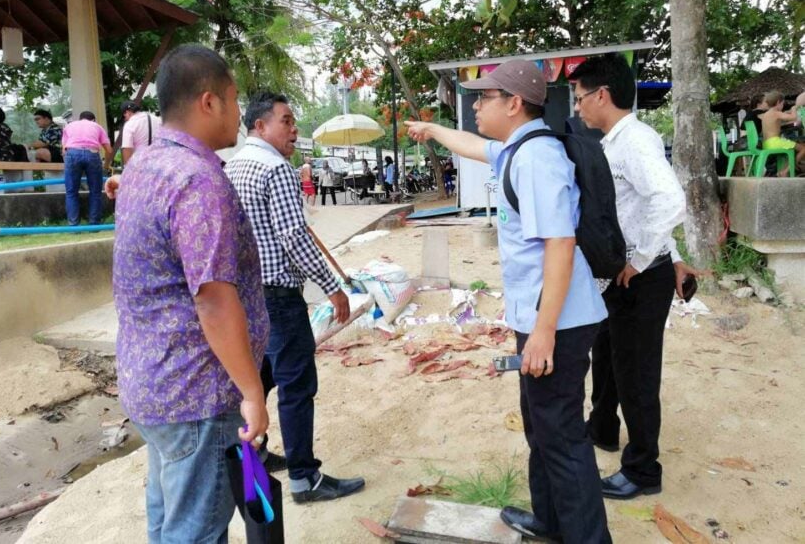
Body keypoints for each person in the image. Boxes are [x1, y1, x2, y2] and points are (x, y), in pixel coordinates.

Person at [406, 60, 611, 543]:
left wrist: (542, 334)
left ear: (514, 103)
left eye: (485, 97)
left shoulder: (538, 159)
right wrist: (434, 129)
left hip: (557, 321)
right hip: (544, 316)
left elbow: (559, 245)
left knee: (562, 439)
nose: (476, 105)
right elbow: (476, 146)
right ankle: (549, 520)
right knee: (542, 429)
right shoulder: (519, 148)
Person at [109, 44, 269, 542]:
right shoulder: (198, 181)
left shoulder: (145, 165)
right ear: (209, 102)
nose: (240, 112)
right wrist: (251, 391)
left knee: (168, 520)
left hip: (153, 381)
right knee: (196, 531)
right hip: (196, 394)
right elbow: (213, 299)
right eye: (235, 98)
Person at [568, 53, 703, 500]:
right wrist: (673, 254)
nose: (577, 107)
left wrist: (641, 259)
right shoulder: (613, 140)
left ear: (601, 95)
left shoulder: (635, 140)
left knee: (636, 372)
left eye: (580, 97)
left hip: (638, 279)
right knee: (606, 355)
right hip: (620, 275)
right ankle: (602, 428)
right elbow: (644, 208)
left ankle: (644, 470)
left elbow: (669, 200)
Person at [224, 91, 365, 503]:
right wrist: (332, 286)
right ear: (260, 126)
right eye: (286, 121)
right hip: (279, 297)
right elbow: (293, 238)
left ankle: (257, 451)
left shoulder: (235, 167)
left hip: (246, 295)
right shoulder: (276, 169)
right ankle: (305, 478)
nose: (293, 129)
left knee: (259, 378)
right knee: (296, 384)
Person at [61, 111, 113, 225]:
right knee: (95, 192)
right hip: (92, 153)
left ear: (79, 119)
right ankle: (94, 223)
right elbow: (109, 150)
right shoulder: (97, 127)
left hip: (72, 153)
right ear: (93, 120)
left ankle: (73, 225)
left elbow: (64, 150)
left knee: (71, 192)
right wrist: (106, 165)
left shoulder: (69, 126)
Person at [756, 90, 804, 176]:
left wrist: (788, 111)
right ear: (778, 102)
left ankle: (784, 170)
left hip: (767, 144)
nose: (783, 106)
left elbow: (783, 114)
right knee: (803, 149)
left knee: (795, 148)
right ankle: (785, 171)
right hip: (775, 143)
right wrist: (793, 109)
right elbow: (794, 117)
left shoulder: (766, 114)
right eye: (782, 104)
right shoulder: (776, 113)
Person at [120, 99, 162, 165]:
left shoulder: (130, 125)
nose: (125, 119)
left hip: (141, 164)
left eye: (124, 116)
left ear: (128, 112)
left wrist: (127, 169)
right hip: (159, 161)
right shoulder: (157, 119)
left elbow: (127, 149)